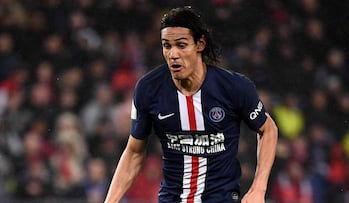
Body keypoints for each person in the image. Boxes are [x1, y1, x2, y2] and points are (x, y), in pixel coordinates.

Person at [104, 6, 278, 203]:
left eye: (181, 45)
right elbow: (134, 151)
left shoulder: (234, 87)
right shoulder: (148, 88)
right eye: (167, 46)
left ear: (200, 43)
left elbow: (268, 129)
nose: (173, 54)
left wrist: (258, 188)